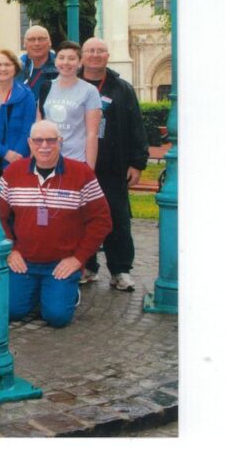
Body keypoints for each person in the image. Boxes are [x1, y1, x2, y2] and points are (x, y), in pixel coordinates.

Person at [0, 120, 112, 326]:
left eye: (51, 140)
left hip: (61, 262)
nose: (44, 146)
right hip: (23, 261)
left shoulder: (82, 173)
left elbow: (102, 221)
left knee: (57, 317)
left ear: (60, 141)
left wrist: (78, 259)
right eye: (38, 140)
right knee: (11, 311)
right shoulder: (13, 172)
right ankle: (41, 292)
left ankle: (67, 292)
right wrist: (10, 250)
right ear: (29, 143)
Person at [79, 37, 149, 291]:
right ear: (82, 56)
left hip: (113, 166)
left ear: (107, 56)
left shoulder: (122, 88)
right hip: (81, 165)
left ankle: (120, 270)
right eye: (90, 51)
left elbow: (136, 127)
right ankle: (86, 266)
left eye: (100, 51)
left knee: (117, 218)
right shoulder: (71, 85)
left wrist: (137, 163)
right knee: (80, 217)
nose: (95, 55)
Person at [42, 41, 101, 168]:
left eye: (72, 58)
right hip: (47, 159)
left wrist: (89, 169)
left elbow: (92, 134)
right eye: (61, 58)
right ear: (55, 61)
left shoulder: (89, 91)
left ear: (80, 63)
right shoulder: (46, 87)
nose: (66, 63)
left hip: (76, 160)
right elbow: (38, 126)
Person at [0, 48, 37, 179]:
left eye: (7, 64)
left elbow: (28, 129)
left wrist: (15, 157)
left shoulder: (26, 94)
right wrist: (4, 152)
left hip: (17, 158)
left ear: (15, 68)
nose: (2, 69)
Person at [19, 25, 58, 106]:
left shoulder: (60, 67)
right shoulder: (15, 68)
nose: (37, 43)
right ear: (24, 43)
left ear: (50, 42)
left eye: (41, 39)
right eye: (32, 39)